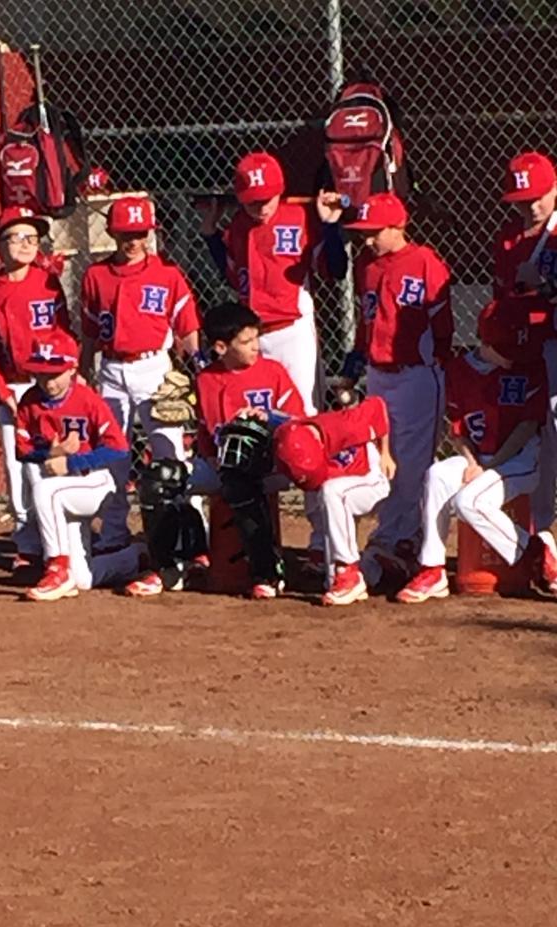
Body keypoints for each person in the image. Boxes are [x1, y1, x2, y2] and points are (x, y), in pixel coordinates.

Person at [199, 151, 348, 565]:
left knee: (303, 425)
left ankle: (321, 536)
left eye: (266, 197)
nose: (259, 204)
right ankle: (260, 528)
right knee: (250, 424)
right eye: (251, 198)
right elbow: (232, 277)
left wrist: (331, 227)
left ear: (280, 192)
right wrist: (212, 235)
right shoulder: (240, 227)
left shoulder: (300, 219)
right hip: (252, 336)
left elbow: (333, 269)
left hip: (293, 330)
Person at [126, 302, 306, 599]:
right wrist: (208, 458)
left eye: (256, 338)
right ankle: (173, 565)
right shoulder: (207, 379)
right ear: (221, 347)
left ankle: (266, 572)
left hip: (270, 465)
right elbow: (208, 432)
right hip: (221, 462)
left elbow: (298, 420)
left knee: (239, 480)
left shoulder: (273, 371)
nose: (256, 347)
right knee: (160, 478)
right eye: (246, 342)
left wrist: (270, 418)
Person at [397, 305, 552, 603]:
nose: (514, 356)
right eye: (505, 349)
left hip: (519, 459)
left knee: (469, 501)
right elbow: (458, 431)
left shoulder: (531, 365)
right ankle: (433, 569)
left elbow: (527, 427)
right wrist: (471, 462)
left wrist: (489, 465)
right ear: (486, 343)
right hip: (480, 458)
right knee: (437, 475)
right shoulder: (459, 370)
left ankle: (535, 554)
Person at [340, 192, 453, 580]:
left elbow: (443, 323)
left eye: (375, 232)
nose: (367, 240)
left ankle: (400, 537)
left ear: (397, 227)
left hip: (417, 373)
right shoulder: (367, 266)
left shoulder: (424, 261)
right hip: (379, 373)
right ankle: (396, 535)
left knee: (410, 459)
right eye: (363, 232)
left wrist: (437, 360)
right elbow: (367, 319)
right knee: (378, 455)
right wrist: (356, 361)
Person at [80, 195, 201, 551]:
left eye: (140, 233)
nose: (133, 241)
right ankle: (115, 532)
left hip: (154, 368)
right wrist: (86, 371)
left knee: (170, 452)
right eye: (125, 234)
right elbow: (88, 331)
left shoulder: (167, 275)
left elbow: (187, 328)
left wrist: (199, 370)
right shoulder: (95, 275)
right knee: (113, 454)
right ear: (112, 233)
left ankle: (187, 533)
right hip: (112, 369)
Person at [15, 328, 139, 601]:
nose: (48, 382)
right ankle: (133, 559)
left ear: (72, 369)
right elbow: (21, 451)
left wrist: (72, 461)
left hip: (94, 481)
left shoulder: (88, 400)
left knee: (45, 491)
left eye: (55, 374)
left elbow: (118, 448)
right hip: (65, 489)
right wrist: (51, 452)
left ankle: (56, 568)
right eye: (42, 373)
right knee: (82, 579)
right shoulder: (29, 401)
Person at [0, 205, 70, 566]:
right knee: (17, 465)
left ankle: (55, 538)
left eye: (34, 237)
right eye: (19, 237)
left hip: (47, 382)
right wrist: (2, 392)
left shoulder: (47, 280)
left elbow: (63, 332)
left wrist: (64, 376)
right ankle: (26, 541)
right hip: (14, 386)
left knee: (50, 456)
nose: (29, 243)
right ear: (0, 245)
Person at [493, 151, 557, 555]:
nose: (530, 207)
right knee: (543, 440)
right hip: (530, 349)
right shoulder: (509, 240)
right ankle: (542, 536)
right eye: (522, 200)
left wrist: (545, 283)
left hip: (552, 339)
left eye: (538, 197)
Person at [272, 396, 395, 606]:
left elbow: (377, 405)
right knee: (330, 582)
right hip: (342, 484)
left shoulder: (347, 424)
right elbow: (279, 419)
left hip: (371, 479)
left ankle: (349, 573)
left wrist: (385, 453)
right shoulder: (293, 431)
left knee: (332, 491)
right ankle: (373, 569)